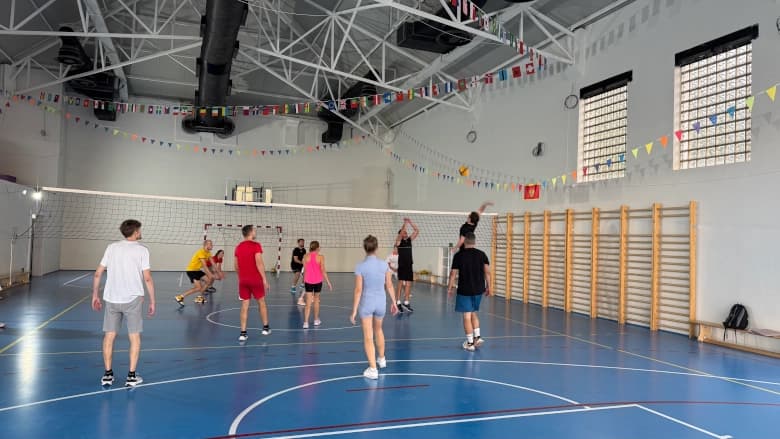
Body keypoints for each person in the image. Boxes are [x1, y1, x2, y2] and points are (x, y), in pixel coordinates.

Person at [91, 219, 156, 387]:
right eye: (139, 230)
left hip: (111, 298)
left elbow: (98, 274)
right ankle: (131, 376)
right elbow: (147, 278)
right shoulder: (142, 250)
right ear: (135, 232)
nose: (141, 232)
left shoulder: (111, 248)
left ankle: (107, 375)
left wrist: (95, 295)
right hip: (132, 299)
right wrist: (152, 300)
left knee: (109, 336)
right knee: (134, 337)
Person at [351, 235, 399, 380]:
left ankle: (373, 369)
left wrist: (353, 311)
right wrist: (395, 303)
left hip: (367, 304)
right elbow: (389, 285)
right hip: (381, 303)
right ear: (376, 248)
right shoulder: (384, 265)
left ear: (365, 248)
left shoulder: (360, 266)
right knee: (378, 330)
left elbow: (358, 290)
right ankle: (382, 359)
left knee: (368, 336)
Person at [448, 232, 490, 351]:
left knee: (466, 316)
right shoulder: (482, 255)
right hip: (478, 290)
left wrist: (450, 288)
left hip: (465, 290)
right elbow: (487, 272)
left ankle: (470, 343)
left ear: (465, 242)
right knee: (473, 312)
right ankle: (477, 337)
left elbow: (453, 274)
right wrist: (489, 287)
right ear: (475, 241)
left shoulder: (459, 255)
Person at [235, 225, 271, 341]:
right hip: (255, 279)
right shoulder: (256, 245)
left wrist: (241, 277)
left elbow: (236, 266)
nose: (255, 232)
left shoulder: (238, 247)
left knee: (245, 306)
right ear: (250, 232)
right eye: (254, 230)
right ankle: (265, 328)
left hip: (243, 280)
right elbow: (259, 263)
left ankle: (243, 333)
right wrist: (265, 280)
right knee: (261, 302)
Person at [301, 241, 333, 329]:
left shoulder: (305, 256)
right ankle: (316, 320)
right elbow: (323, 270)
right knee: (316, 300)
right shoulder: (321, 257)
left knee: (308, 302)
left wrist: (304, 281)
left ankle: (306, 323)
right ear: (317, 248)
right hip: (318, 281)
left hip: (308, 281)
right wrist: (328, 282)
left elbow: (305, 271)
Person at [175, 240, 214, 305]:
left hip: (197, 270)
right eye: (210, 244)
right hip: (191, 270)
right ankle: (180, 297)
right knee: (198, 287)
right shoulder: (201, 252)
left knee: (208, 280)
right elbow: (204, 265)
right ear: (206, 245)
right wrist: (210, 274)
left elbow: (213, 263)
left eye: (212, 244)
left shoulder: (208, 253)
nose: (212, 246)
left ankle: (199, 298)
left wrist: (219, 273)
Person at [394, 218, 418, 313]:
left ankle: (406, 303)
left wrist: (410, 223)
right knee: (400, 284)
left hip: (409, 265)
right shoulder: (398, 242)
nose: (406, 233)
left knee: (408, 284)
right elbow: (400, 234)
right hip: (402, 265)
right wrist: (405, 224)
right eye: (404, 232)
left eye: (406, 232)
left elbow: (416, 231)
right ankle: (398, 302)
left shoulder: (409, 240)